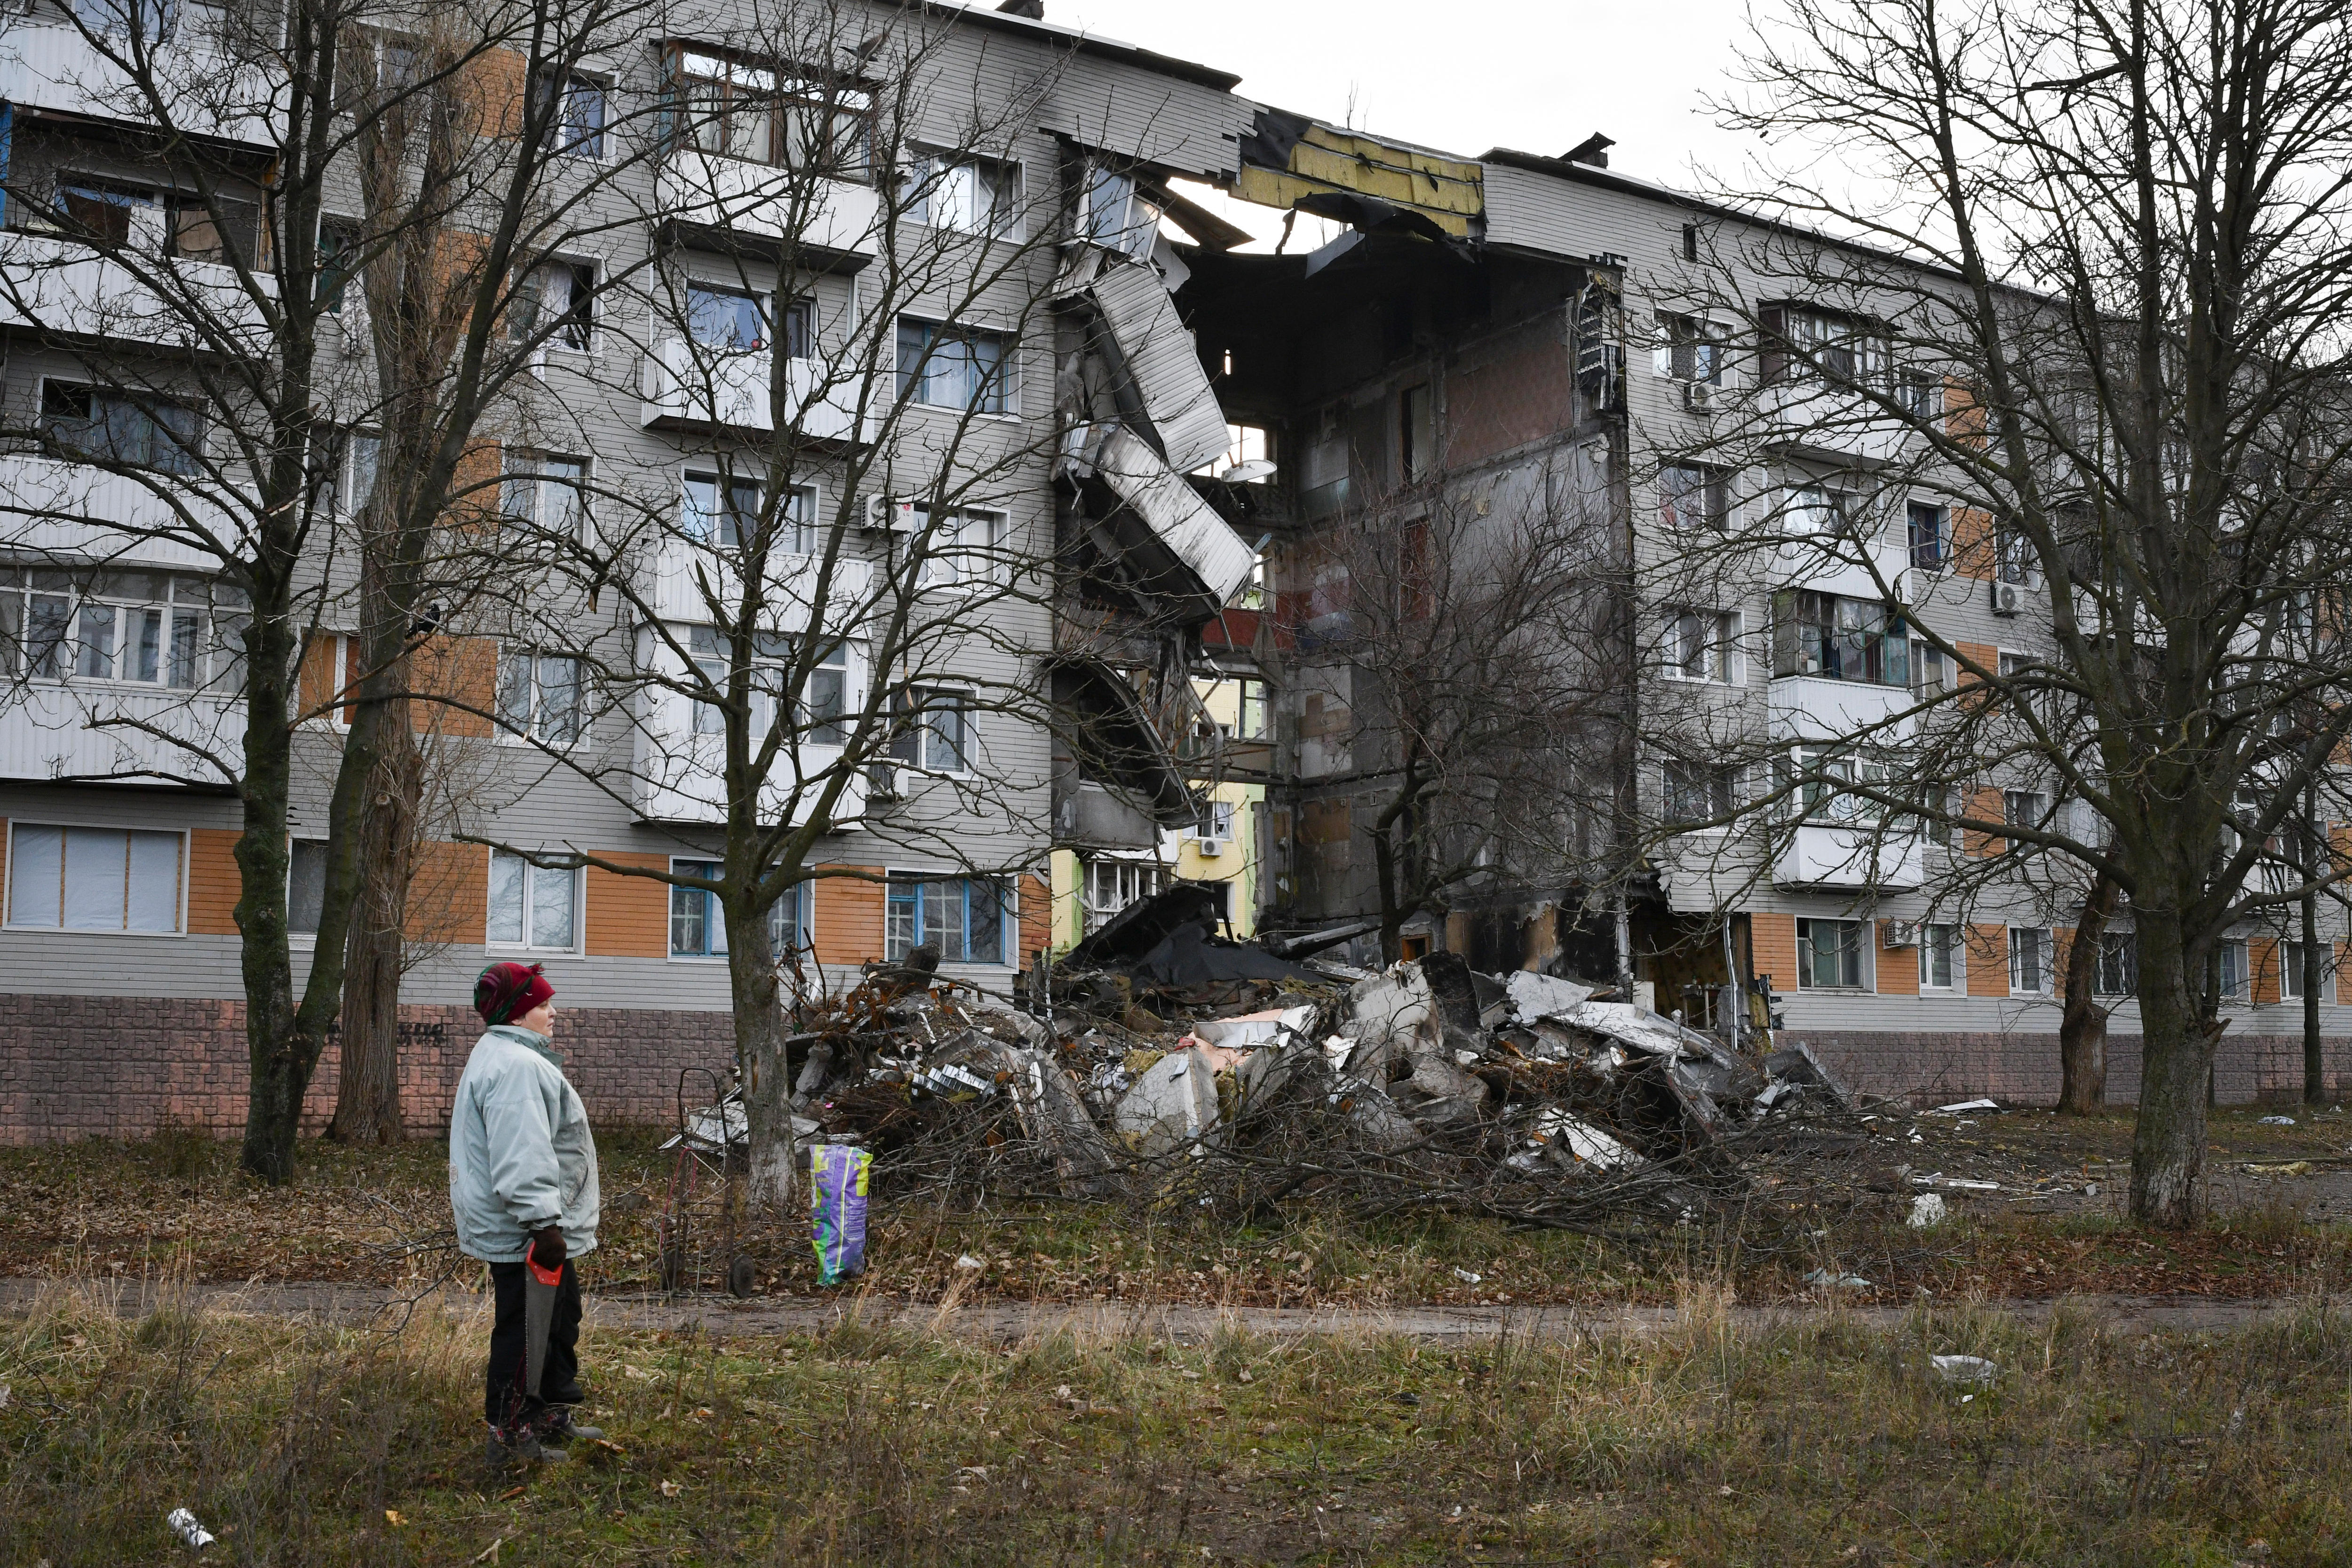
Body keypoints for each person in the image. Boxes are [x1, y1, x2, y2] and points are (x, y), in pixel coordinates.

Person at [450, 960, 604, 1463]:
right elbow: (522, 1153)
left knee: (560, 1319)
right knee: (524, 1331)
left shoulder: (508, 1056)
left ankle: (546, 1413)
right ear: (517, 1014)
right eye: (542, 1004)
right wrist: (542, 1224)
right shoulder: (515, 1067)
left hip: (539, 1228)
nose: (552, 1011)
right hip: (528, 1232)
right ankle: (509, 1437)